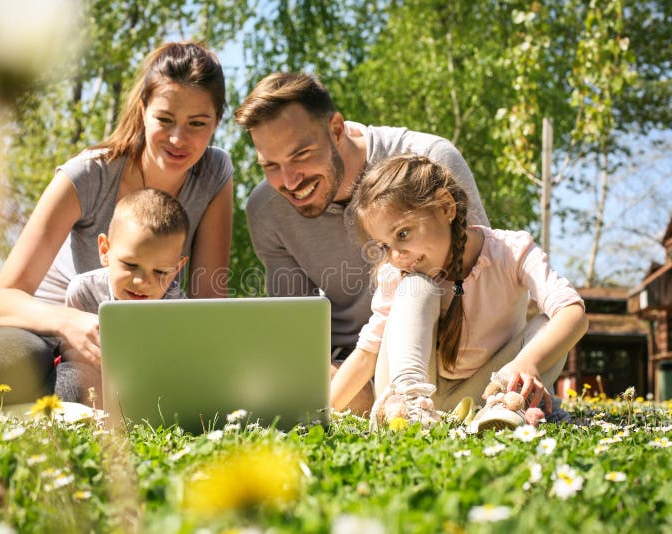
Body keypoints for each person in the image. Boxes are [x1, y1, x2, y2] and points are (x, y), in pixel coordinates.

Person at [0, 41, 233, 418]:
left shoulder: (214, 175)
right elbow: (1, 300)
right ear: (143, 109)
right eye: (165, 119)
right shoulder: (88, 174)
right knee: (20, 364)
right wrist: (73, 323)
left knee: (96, 391)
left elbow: (210, 306)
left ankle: (24, 411)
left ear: (217, 122)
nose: (179, 139)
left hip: (102, 352)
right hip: (34, 325)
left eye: (198, 124)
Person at [234, 72, 488, 413]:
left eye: (301, 155)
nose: (290, 181)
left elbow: (480, 282)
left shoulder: (429, 160)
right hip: (346, 370)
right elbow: (295, 329)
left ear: (337, 129)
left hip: (440, 360)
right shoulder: (266, 211)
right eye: (271, 165)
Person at [329, 154, 588, 426]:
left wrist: (527, 363)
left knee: (553, 324)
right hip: (414, 390)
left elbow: (574, 313)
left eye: (403, 234)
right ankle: (411, 407)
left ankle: (504, 407)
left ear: (445, 207)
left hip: (484, 391)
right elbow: (367, 353)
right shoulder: (398, 274)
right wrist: (320, 415)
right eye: (384, 246)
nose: (395, 256)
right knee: (416, 286)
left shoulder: (511, 251)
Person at [65, 188, 189, 314]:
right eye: (131, 265)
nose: (141, 282)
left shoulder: (176, 305)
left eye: (160, 271)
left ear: (177, 267)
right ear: (105, 250)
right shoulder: (85, 293)